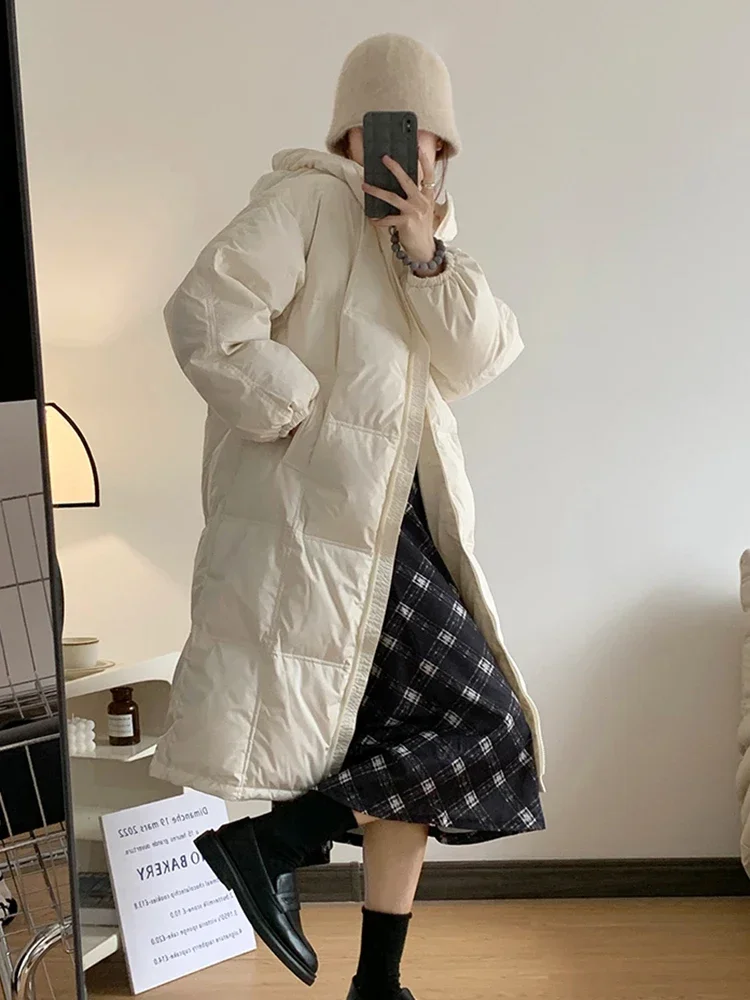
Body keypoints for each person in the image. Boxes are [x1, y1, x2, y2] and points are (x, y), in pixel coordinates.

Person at [151, 33, 545, 1000]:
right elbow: (204, 313)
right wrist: (298, 413)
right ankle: (274, 844)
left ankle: (371, 975)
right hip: (330, 529)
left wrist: (425, 253)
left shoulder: (426, 246)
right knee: (486, 717)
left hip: (399, 530)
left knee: (413, 744)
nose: (418, 154)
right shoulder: (304, 204)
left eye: (433, 140)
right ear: (352, 134)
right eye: (395, 131)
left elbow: (481, 358)